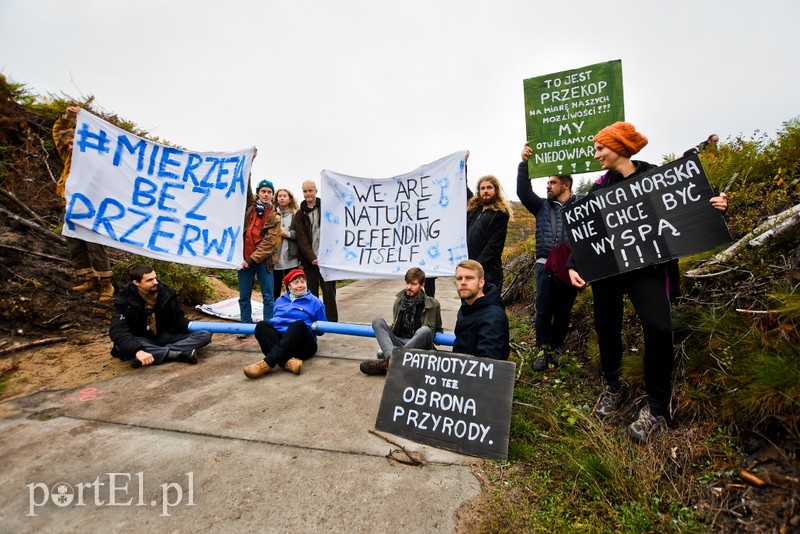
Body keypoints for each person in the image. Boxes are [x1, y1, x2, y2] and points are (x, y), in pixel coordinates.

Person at [568, 121, 729, 444]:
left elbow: (689, 207)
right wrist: (574, 265)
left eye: (600, 148)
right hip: (609, 272)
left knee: (659, 327)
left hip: (648, 269)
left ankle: (657, 407)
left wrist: (716, 206)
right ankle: (615, 385)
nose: (596, 154)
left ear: (619, 147)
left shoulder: (658, 177)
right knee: (606, 328)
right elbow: (587, 234)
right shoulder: (598, 189)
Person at [517, 146, 584, 371]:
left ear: (566, 185)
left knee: (564, 311)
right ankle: (541, 349)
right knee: (544, 311)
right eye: (547, 182)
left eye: (552, 182)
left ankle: (556, 348)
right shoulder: (541, 206)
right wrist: (524, 163)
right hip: (544, 266)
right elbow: (523, 192)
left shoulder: (581, 204)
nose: (548, 186)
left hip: (571, 267)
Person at [52, 106, 114, 303]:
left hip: (92, 206)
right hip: (72, 205)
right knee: (74, 242)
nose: (70, 147)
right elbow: (57, 132)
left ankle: (106, 283)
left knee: (95, 244)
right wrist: (67, 117)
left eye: (73, 142)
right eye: (68, 144)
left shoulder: (95, 158)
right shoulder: (68, 156)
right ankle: (88, 278)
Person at [109, 264, 212, 368]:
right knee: (121, 346)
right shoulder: (124, 300)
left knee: (204, 335)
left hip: (168, 336)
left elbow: (179, 321)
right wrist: (138, 350)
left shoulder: (167, 293)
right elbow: (118, 330)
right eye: (149, 280)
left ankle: (157, 353)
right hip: (144, 339)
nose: (155, 282)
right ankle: (177, 354)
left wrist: (198, 327)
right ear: (136, 282)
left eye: (155, 278)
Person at [243, 269, 327, 378]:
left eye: (303, 282)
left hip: (304, 345)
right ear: (289, 286)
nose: (300, 285)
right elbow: (274, 322)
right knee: (261, 326)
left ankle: (266, 363)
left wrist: (311, 327)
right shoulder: (280, 300)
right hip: (282, 343)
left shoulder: (315, 302)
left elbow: (321, 331)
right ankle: (288, 363)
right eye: (296, 283)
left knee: (298, 325)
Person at [360, 267, 443, 376]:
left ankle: (389, 363)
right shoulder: (399, 301)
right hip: (400, 343)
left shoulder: (433, 304)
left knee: (425, 331)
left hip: (420, 346)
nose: (409, 287)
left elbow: (438, 329)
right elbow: (395, 326)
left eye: (413, 284)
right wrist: (385, 333)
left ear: (422, 285)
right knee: (377, 321)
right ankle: (394, 359)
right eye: (407, 283)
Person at [295, 180, 339, 322]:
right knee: (311, 294)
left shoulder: (326, 209)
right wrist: (312, 257)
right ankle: (314, 321)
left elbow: (335, 230)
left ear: (316, 191)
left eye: (310, 190)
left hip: (327, 260)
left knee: (329, 293)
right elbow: (301, 239)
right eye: (305, 191)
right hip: (310, 262)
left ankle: (332, 322)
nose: (308, 194)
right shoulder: (299, 214)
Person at [239, 179, 281, 326]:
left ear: (272, 195)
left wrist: (251, 260)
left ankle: (268, 327)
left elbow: (269, 243)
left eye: (269, 192)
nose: (266, 194)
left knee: (268, 297)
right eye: (263, 191)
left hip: (263, 261)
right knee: (244, 296)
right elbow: (246, 186)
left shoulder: (275, 216)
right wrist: (249, 166)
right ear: (258, 193)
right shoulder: (250, 207)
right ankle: (245, 326)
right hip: (243, 259)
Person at [452, 260, 510, 361]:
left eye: (469, 278)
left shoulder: (493, 316)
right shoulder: (465, 307)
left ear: (481, 282)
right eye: (459, 278)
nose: (463, 282)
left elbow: (489, 363)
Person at [466, 175, 511, 291]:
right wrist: (462, 167)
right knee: (468, 302)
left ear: (496, 190)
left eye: (489, 187)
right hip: (468, 271)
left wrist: (476, 267)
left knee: (486, 302)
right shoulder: (474, 210)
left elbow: (494, 246)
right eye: (482, 188)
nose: (485, 191)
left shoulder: (500, 214)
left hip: (488, 274)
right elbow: (463, 188)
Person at [272, 188, 300, 299]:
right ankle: (276, 308)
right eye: (280, 196)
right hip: (275, 257)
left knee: (293, 288)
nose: (282, 198)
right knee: (275, 289)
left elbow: (301, 234)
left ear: (290, 199)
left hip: (291, 257)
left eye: (285, 196)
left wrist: (287, 234)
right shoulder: (272, 213)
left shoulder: (296, 214)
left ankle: (293, 307)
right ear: (276, 199)